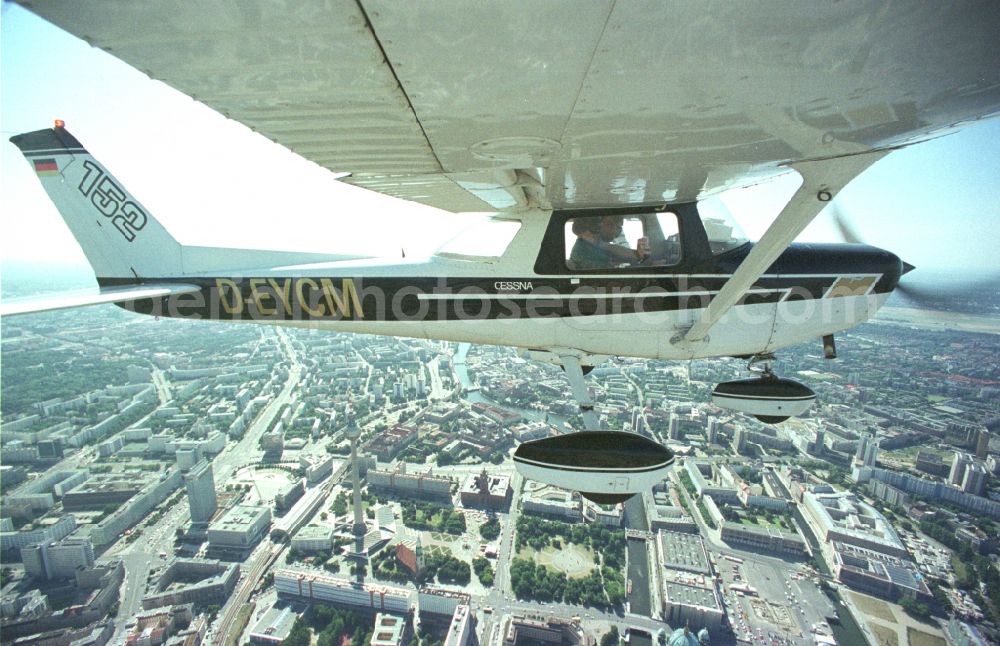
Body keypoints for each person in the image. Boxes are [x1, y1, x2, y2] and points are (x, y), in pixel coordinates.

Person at [567, 216, 649, 270]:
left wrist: (638, 255)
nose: (615, 230)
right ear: (597, 225)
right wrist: (637, 256)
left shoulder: (595, 246)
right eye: (611, 224)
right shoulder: (583, 252)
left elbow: (613, 250)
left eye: (618, 227)